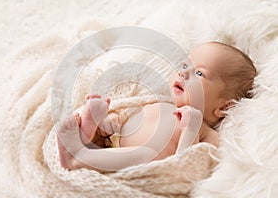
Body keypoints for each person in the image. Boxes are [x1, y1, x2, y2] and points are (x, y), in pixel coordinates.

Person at [57, 42, 257, 172]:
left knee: (145, 153)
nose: (183, 73)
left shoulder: (205, 132)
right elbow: (133, 125)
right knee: (110, 127)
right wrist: (110, 124)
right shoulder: (161, 103)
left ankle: (78, 158)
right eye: (185, 66)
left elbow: (186, 168)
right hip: (114, 144)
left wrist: (190, 130)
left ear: (224, 107)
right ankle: (92, 131)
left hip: (143, 162)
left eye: (199, 74)